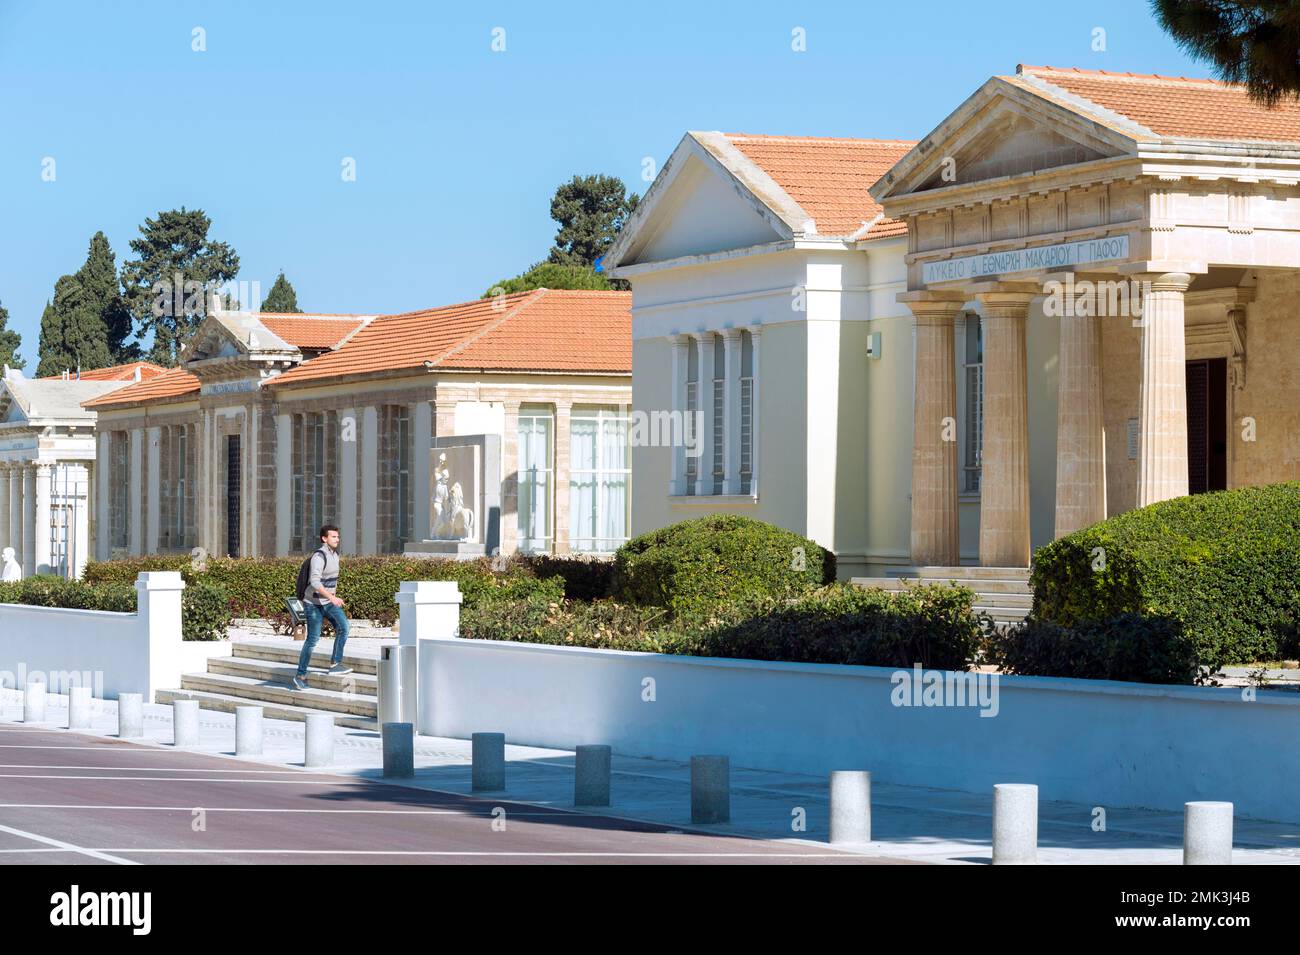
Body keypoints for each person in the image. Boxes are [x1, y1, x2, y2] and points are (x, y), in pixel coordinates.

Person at [292, 524, 352, 690]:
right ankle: (300, 675)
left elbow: (332, 580)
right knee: (313, 639)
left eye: (338, 537)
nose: (337, 539)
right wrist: (332, 597)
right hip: (313, 604)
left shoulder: (335, 555)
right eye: (333, 537)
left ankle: (335, 663)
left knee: (344, 627)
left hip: (327, 602)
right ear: (324, 538)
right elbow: (315, 582)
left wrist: (332, 597)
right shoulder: (319, 556)